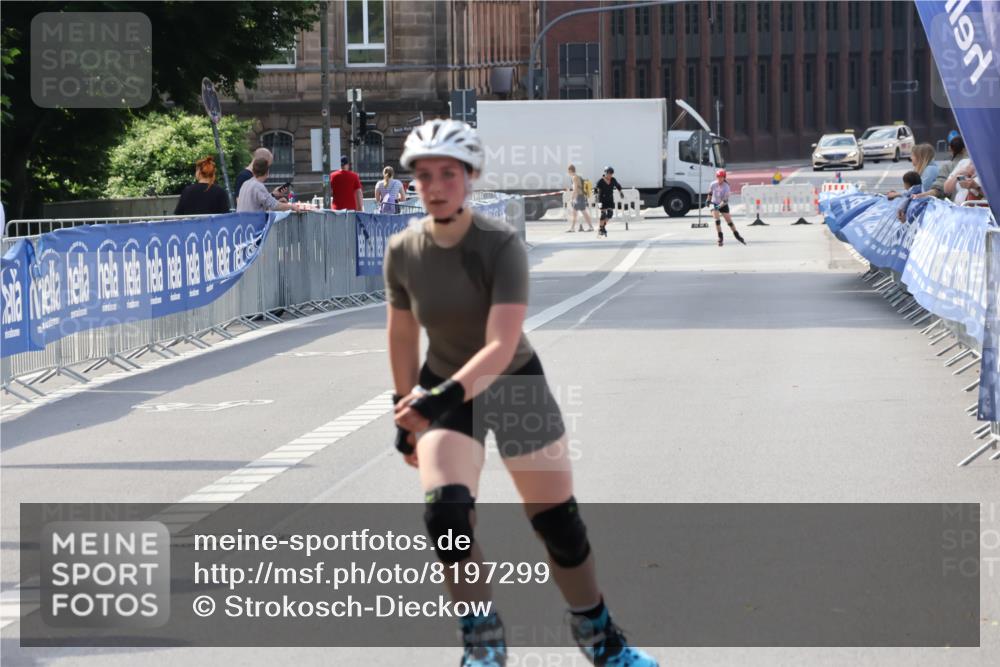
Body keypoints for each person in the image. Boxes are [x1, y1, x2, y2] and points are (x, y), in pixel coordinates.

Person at [384, 119, 658, 667]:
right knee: (446, 519)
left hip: (513, 384)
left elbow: (501, 343)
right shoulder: (404, 250)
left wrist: (434, 402)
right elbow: (403, 334)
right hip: (444, 386)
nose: (435, 187)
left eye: (448, 174)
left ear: (471, 177)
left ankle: (601, 638)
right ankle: (482, 642)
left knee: (558, 525)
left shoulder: (500, 245)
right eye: (424, 176)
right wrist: (403, 408)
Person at [236, 157, 311, 213]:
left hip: (242, 224)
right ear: (267, 172)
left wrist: (276, 199)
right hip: (252, 225)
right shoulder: (258, 186)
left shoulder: (246, 183)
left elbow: (257, 203)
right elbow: (274, 205)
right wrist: (292, 206)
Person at [706, 169, 746, 247]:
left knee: (729, 222)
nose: (719, 179)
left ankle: (737, 235)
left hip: (723, 204)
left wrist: (718, 207)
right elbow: (710, 193)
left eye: (721, 177)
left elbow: (725, 201)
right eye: (718, 177)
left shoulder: (726, 186)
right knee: (717, 221)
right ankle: (720, 237)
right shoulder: (713, 184)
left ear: (724, 177)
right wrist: (708, 200)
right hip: (714, 203)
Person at [920, 135, 968, 200]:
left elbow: (938, 189)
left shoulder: (947, 166)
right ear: (965, 148)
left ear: (950, 148)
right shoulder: (974, 164)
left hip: (956, 204)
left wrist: (922, 195)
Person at [593, 166, 623, 238]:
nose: (609, 175)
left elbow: (618, 186)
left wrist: (621, 192)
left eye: (611, 174)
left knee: (610, 214)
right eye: (608, 173)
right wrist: (596, 196)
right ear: (605, 173)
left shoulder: (613, 180)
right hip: (601, 200)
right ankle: (601, 229)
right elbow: (596, 189)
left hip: (610, 199)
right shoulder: (601, 180)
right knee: (603, 214)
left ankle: (602, 227)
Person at [565, 164, 594, 233]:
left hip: (579, 197)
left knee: (582, 212)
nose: (568, 173)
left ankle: (590, 227)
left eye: (568, 171)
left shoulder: (574, 177)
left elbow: (575, 189)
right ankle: (573, 228)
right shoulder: (578, 176)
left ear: (570, 170)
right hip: (580, 197)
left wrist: (572, 197)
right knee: (577, 213)